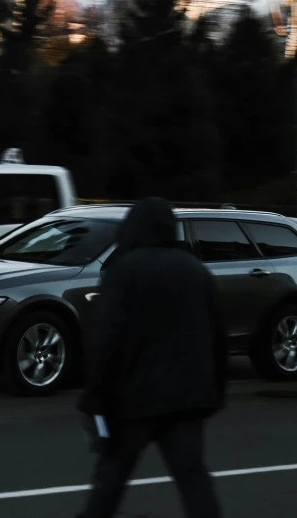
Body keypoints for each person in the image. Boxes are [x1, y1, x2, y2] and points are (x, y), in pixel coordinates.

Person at [76, 197, 227, 518]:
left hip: (135, 398)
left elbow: (106, 339)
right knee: (193, 479)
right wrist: (214, 394)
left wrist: (94, 398)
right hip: (188, 398)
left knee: (111, 477)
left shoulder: (123, 271)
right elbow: (217, 338)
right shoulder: (196, 271)